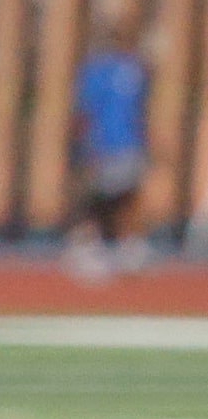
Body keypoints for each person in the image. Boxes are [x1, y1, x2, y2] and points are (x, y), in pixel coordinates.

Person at [68, 22, 150, 280]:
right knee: (117, 199)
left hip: (108, 144)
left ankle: (109, 248)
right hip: (121, 143)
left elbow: (84, 113)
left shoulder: (96, 71)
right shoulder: (131, 70)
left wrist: (80, 147)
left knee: (104, 200)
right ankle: (116, 248)